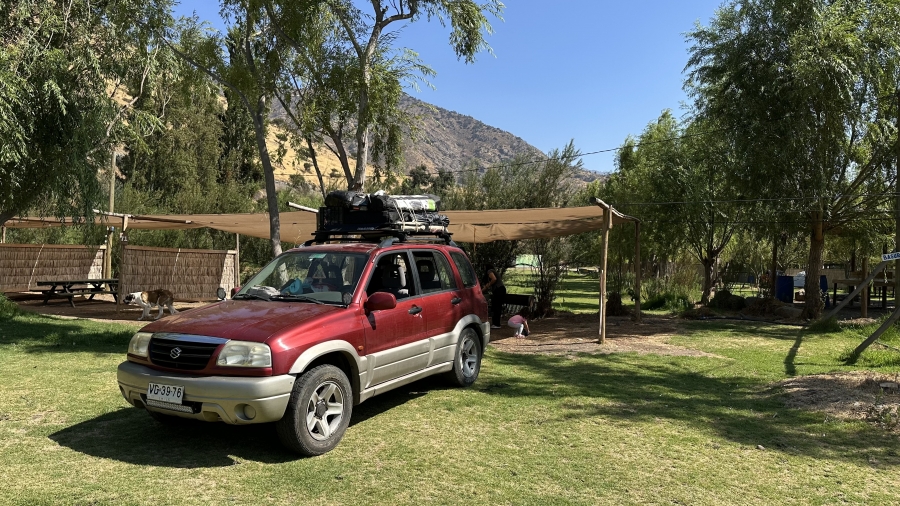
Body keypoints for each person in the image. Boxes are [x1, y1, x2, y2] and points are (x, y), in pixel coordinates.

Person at [483, 263, 506, 329]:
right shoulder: (494, 271)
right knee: (497, 306)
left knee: (496, 307)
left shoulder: (489, 271)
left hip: (498, 290)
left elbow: (494, 279)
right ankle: (496, 323)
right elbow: (486, 286)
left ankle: (496, 324)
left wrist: (489, 284)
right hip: (501, 290)